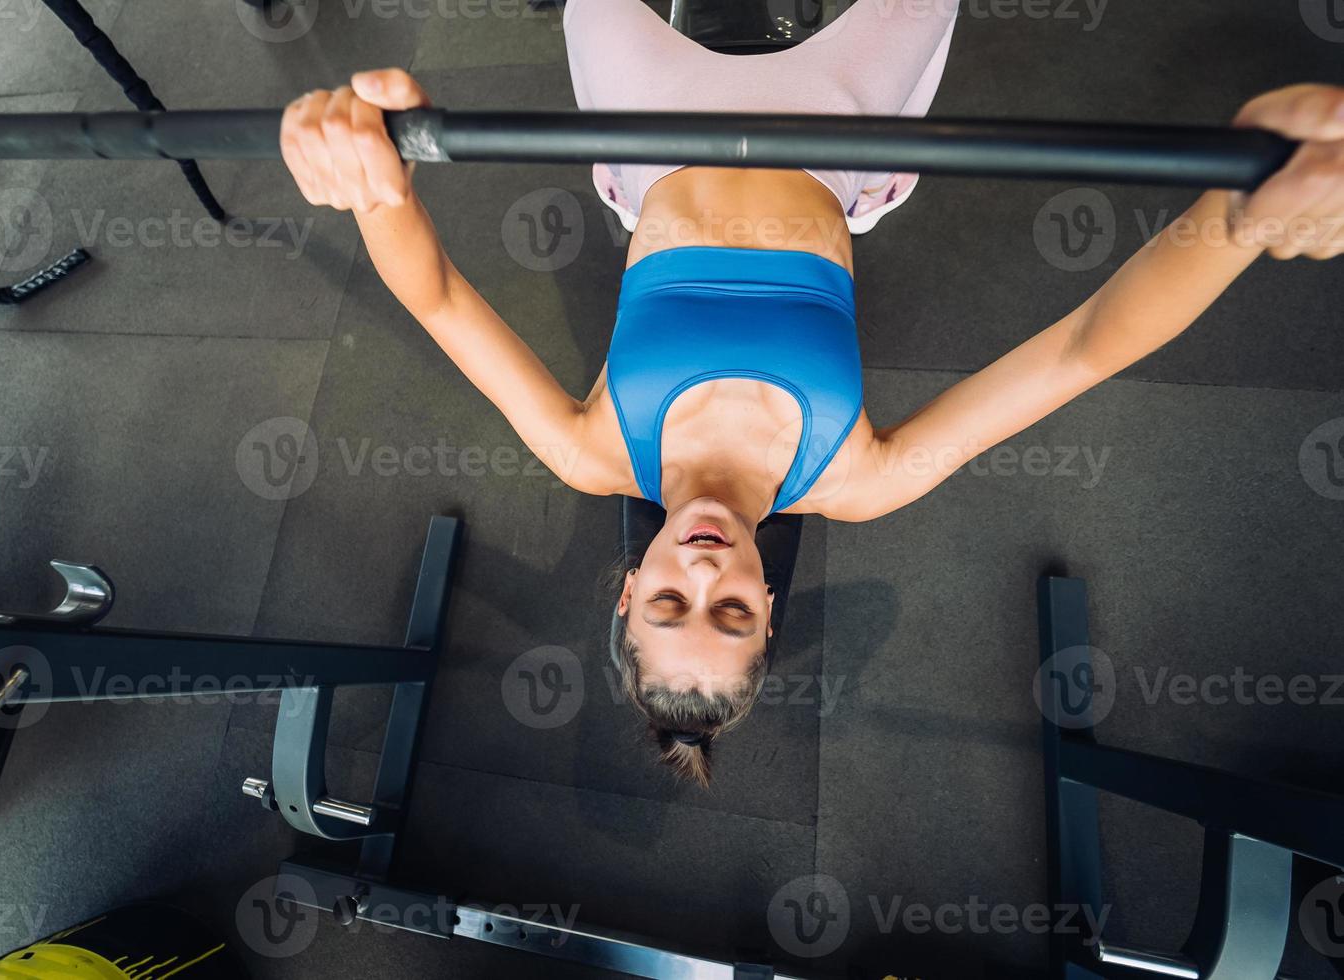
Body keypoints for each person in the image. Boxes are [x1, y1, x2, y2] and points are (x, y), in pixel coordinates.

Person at [279, 0, 1344, 786]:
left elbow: (441, 302)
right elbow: (1083, 351)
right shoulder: (858, 476)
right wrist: (1238, 225)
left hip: (662, 141)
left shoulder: (592, 449)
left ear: (626, 589)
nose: (702, 571)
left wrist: (374, 185)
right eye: (732, 609)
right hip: (835, 140)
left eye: (668, 603)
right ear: (770, 607)